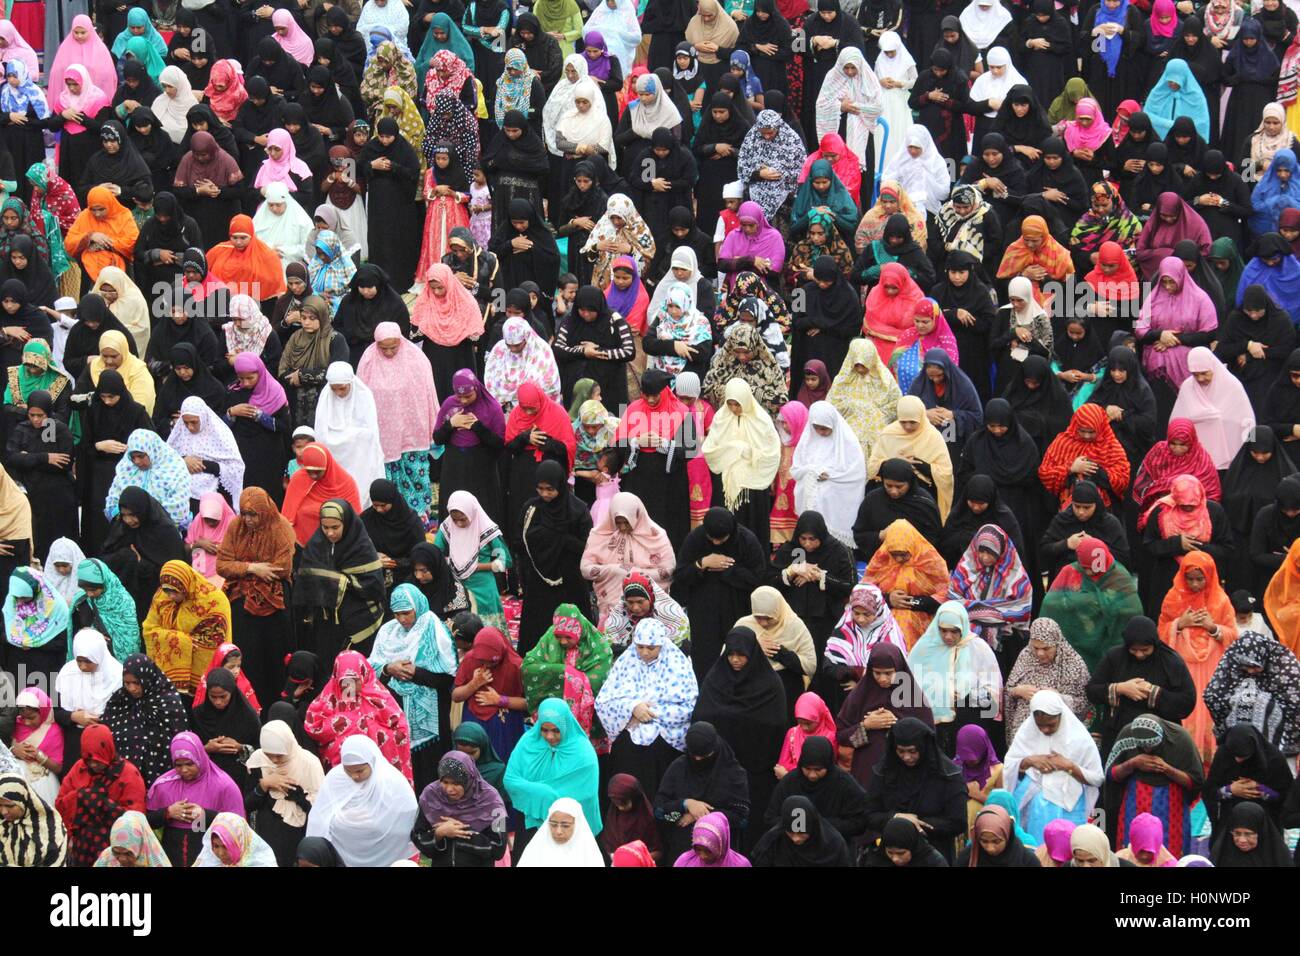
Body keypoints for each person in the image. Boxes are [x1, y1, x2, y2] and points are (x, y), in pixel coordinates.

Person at [693, 627, 788, 850]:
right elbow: (701, 716)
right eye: (731, 654)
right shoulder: (715, 679)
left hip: (756, 771)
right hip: (718, 771)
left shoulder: (770, 684)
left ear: (752, 653)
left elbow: (776, 723)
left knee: (753, 827)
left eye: (741, 655)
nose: (735, 660)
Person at [1087, 616, 1198, 760]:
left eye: (1145, 650)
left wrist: (1153, 693)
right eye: (1134, 650)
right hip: (1118, 734)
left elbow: (1187, 701)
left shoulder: (1171, 662)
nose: (1139, 654)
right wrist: (1120, 688)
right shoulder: (1114, 658)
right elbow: (1092, 691)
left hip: (1160, 738)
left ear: (1154, 644)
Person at [504, 697, 602, 857]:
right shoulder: (528, 742)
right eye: (544, 730)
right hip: (531, 820)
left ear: (565, 726)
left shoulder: (583, 752)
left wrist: (550, 798)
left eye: (556, 731)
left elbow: (587, 794)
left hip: (567, 828)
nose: (549, 736)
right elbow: (510, 780)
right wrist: (542, 792)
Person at [305, 734, 419, 867]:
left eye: (360, 771)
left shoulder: (391, 781)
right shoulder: (336, 779)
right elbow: (321, 817)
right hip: (344, 850)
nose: (354, 776)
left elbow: (407, 818)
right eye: (348, 771)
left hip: (385, 852)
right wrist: (345, 819)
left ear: (372, 762)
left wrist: (374, 821)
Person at [1103, 714, 1205, 855]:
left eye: (1152, 747)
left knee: (1168, 852)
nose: (1147, 751)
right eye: (1143, 747)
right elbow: (1111, 775)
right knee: (1133, 848)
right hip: (1134, 801)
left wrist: (1167, 769)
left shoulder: (1180, 739)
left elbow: (1195, 782)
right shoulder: (1128, 735)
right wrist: (1133, 763)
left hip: (1171, 805)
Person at [144, 730, 245, 867]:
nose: (184, 770)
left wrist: (205, 815)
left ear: (200, 758)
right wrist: (168, 813)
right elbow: (145, 824)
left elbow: (239, 827)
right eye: (178, 765)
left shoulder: (224, 785)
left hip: (212, 857)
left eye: (189, 764)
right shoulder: (163, 785)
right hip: (171, 856)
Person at [1203, 630, 1300, 755]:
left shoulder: (1285, 664)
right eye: (1246, 666)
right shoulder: (1232, 658)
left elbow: (1294, 704)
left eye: (1255, 666)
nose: (1250, 671)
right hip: (1238, 734)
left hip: (1277, 736)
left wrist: (1261, 705)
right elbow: (1214, 695)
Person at [413, 750, 509, 867]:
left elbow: (499, 848)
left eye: (456, 783)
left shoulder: (493, 801)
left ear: (469, 779)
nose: (449, 789)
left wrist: (462, 833)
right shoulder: (430, 796)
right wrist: (439, 833)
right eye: (445, 782)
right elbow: (417, 837)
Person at [1203, 723, 1294, 838]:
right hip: (1230, 822)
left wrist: (1260, 789)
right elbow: (1209, 791)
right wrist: (1230, 790)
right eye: (1234, 756)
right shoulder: (1224, 754)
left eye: (1243, 756)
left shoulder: (1274, 759)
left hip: (1266, 823)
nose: (1238, 760)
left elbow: (1287, 797)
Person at [452, 627, 528, 763]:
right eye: (482, 661)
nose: (487, 665)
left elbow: (529, 704)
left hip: (505, 729)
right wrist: (474, 684)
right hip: (475, 723)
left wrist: (500, 700)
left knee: (502, 764)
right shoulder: (471, 659)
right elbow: (456, 696)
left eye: (492, 662)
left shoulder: (515, 666)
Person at [1212, 801, 1294, 866]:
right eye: (1237, 833)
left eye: (1248, 834)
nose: (1242, 840)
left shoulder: (1278, 859)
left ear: (1261, 833)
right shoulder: (1220, 855)